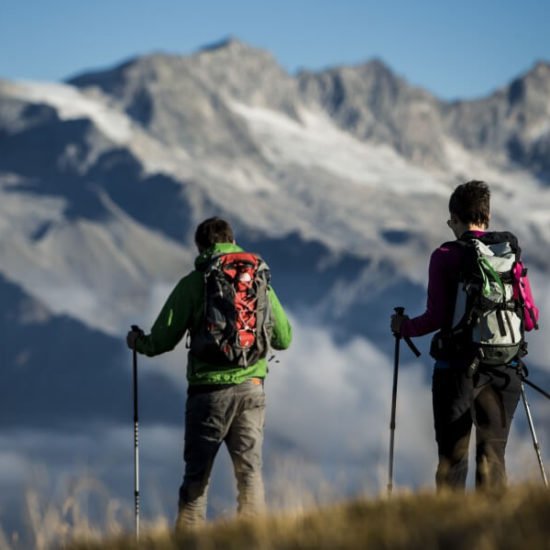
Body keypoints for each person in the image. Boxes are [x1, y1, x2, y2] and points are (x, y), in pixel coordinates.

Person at [126, 217, 292, 528]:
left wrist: (138, 343)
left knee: (197, 479)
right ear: (232, 241)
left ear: (201, 247)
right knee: (250, 474)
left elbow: (162, 340)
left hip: (208, 395)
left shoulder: (195, 283)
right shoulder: (258, 281)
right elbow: (284, 338)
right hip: (252, 388)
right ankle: (255, 542)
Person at [391, 180, 537, 491]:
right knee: (494, 458)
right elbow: (531, 316)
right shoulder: (509, 255)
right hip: (504, 371)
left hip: (457, 373)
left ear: (455, 219)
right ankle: (495, 534)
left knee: (452, 460)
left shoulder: (444, 255)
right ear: (487, 216)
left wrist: (404, 328)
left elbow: (438, 316)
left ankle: (450, 534)